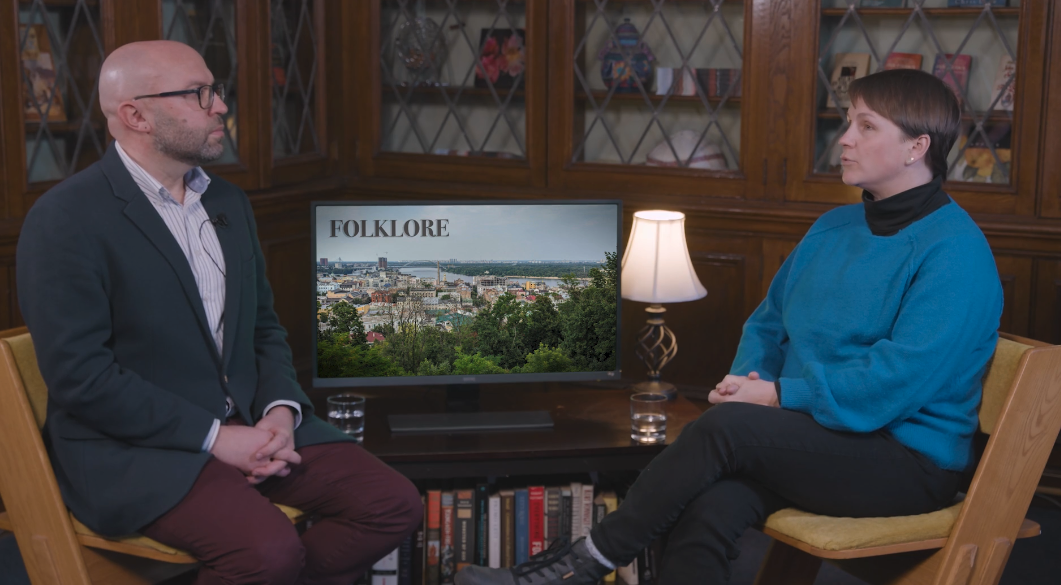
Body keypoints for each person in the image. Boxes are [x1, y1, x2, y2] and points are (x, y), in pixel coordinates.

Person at [456, 68, 1003, 584]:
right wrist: (750, 382)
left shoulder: (955, 252)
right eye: (848, 122)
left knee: (726, 431)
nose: (845, 139)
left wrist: (776, 396)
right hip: (821, 436)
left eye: (866, 126)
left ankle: (579, 564)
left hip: (903, 462)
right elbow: (768, 323)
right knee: (710, 503)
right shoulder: (833, 226)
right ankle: (573, 568)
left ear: (917, 147)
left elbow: (897, 379)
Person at [16, 40, 421, 585]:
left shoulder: (228, 202)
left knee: (393, 503)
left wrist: (280, 412)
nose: (221, 106)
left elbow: (263, 328)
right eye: (198, 94)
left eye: (216, 90)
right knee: (268, 553)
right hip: (132, 450)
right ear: (135, 115)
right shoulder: (65, 218)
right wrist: (216, 438)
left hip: (250, 424)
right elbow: (81, 379)